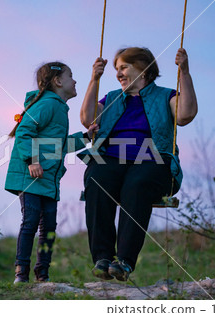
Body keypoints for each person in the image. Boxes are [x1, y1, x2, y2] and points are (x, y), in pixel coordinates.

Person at [78, 47, 198, 281]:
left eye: (124, 67)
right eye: (116, 69)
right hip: (113, 157)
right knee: (96, 178)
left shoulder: (166, 96)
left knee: (137, 182)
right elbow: (88, 118)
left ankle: (124, 261)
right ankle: (102, 258)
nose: (118, 73)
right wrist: (94, 79)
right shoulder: (112, 98)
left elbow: (186, 115)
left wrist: (185, 72)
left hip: (153, 159)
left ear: (142, 69)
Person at [5, 62, 97, 284]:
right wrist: (32, 160)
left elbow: (60, 144)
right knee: (30, 222)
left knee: (49, 228)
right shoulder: (47, 104)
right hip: (32, 177)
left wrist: (86, 137)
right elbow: (24, 132)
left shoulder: (59, 109)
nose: (75, 81)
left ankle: (42, 274)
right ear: (58, 81)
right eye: (71, 76)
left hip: (49, 180)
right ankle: (21, 273)